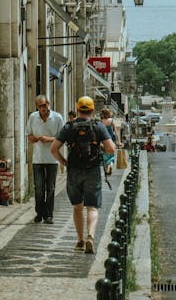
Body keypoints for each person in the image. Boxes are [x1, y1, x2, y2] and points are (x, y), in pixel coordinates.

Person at [51, 96, 115, 253]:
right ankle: (91, 237)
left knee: (77, 207)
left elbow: (53, 148)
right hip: (92, 170)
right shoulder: (98, 126)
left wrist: (64, 162)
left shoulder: (69, 127)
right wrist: (99, 147)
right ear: (93, 110)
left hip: (74, 171)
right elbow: (111, 149)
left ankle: (80, 240)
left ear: (77, 109)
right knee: (92, 207)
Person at [26, 95, 64, 224]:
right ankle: (39, 213)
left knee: (51, 188)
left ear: (48, 103)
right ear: (37, 106)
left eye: (44, 105)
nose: (43, 108)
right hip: (37, 158)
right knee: (39, 188)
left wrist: (49, 139)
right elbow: (29, 135)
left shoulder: (57, 118)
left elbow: (62, 137)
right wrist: (34, 138)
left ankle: (49, 215)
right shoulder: (33, 117)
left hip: (53, 158)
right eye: (40, 106)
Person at [100, 108, 120, 176]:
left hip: (103, 141)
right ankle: (110, 166)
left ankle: (106, 169)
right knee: (111, 156)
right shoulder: (111, 121)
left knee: (105, 155)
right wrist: (119, 141)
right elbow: (116, 132)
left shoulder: (101, 121)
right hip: (111, 140)